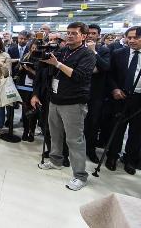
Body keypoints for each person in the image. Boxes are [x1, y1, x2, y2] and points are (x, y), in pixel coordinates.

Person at [32, 22, 96, 191]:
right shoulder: (63, 50)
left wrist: (57, 64)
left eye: (74, 33)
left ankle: (80, 175)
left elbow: (79, 76)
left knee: (74, 140)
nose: (70, 36)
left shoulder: (87, 54)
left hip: (74, 103)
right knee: (55, 134)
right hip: (55, 99)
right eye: (68, 33)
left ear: (84, 35)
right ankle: (55, 161)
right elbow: (45, 65)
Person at [105, 26, 141, 175]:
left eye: (136, 37)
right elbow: (110, 75)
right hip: (121, 97)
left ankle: (130, 159)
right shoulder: (118, 54)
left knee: (137, 132)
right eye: (129, 37)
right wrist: (114, 89)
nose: (131, 40)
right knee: (117, 129)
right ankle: (112, 156)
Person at [84, 24, 110, 164]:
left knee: (93, 123)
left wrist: (93, 51)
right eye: (88, 33)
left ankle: (91, 150)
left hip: (96, 93)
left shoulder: (104, 50)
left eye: (93, 33)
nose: (90, 35)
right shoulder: (79, 48)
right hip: (79, 91)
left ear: (99, 35)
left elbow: (105, 67)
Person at [15, 40, 39, 142]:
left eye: (36, 48)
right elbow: (17, 70)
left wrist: (30, 70)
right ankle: (25, 131)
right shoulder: (25, 56)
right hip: (24, 87)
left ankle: (32, 132)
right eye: (32, 48)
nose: (34, 50)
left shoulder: (41, 59)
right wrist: (21, 67)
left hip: (34, 89)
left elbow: (40, 76)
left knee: (33, 112)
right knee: (25, 111)